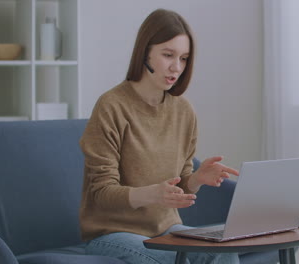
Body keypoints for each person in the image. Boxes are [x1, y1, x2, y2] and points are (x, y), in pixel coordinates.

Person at [79, 8, 240, 264]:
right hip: (112, 234)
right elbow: (102, 193)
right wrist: (151, 194)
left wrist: (196, 179)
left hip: (166, 229)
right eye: (168, 55)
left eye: (184, 58)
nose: (176, 67)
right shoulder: (111, 106)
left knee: (223, 253)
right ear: (145, 51)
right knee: (172, 260)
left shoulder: (184, 111)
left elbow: (178, 186)